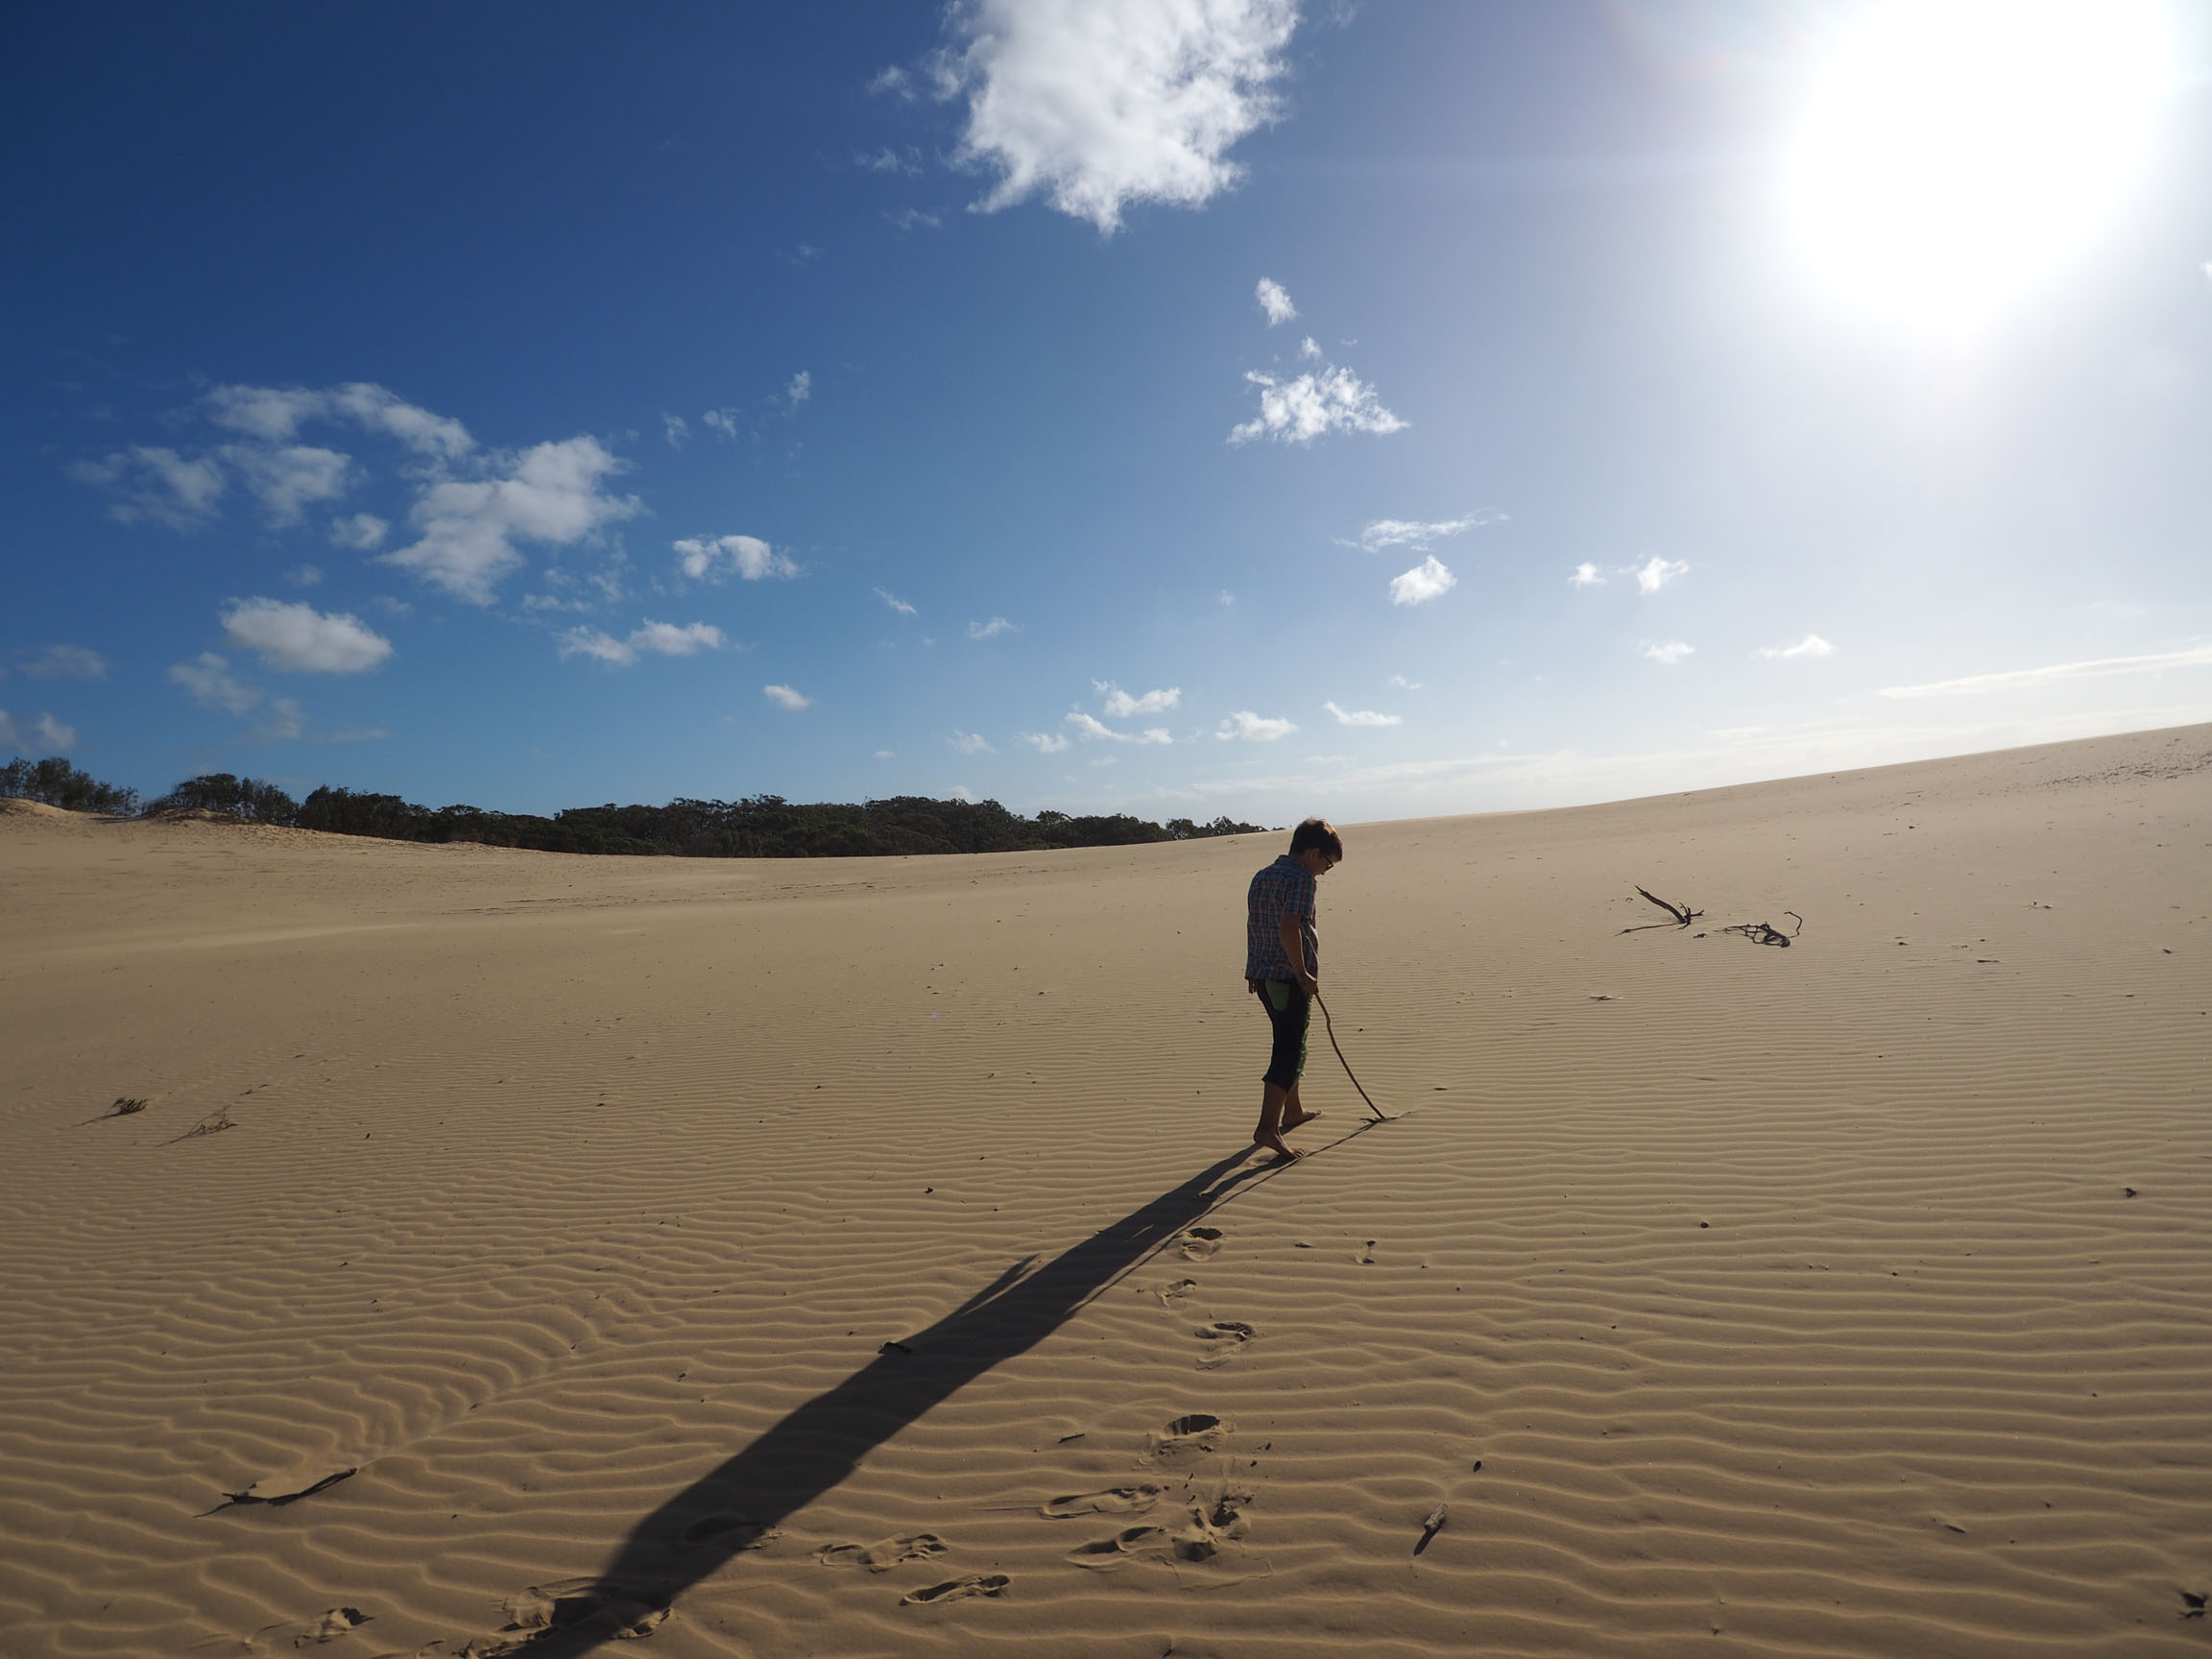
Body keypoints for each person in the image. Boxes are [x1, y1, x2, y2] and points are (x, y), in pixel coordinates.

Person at [1244, 817, 1342, 1163]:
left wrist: (1253, 969)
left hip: (1265, 976)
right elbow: (1288, 928)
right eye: (1327, 863)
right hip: (1287, 977)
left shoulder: (1263, 875)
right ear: (1313, 853)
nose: (1325, 871)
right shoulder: (1301, 878)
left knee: (1293, 1042)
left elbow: (1256, 925)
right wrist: (1303, 974)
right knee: (1287, 1050)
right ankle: (1267, 1127)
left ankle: (1293, 1111)